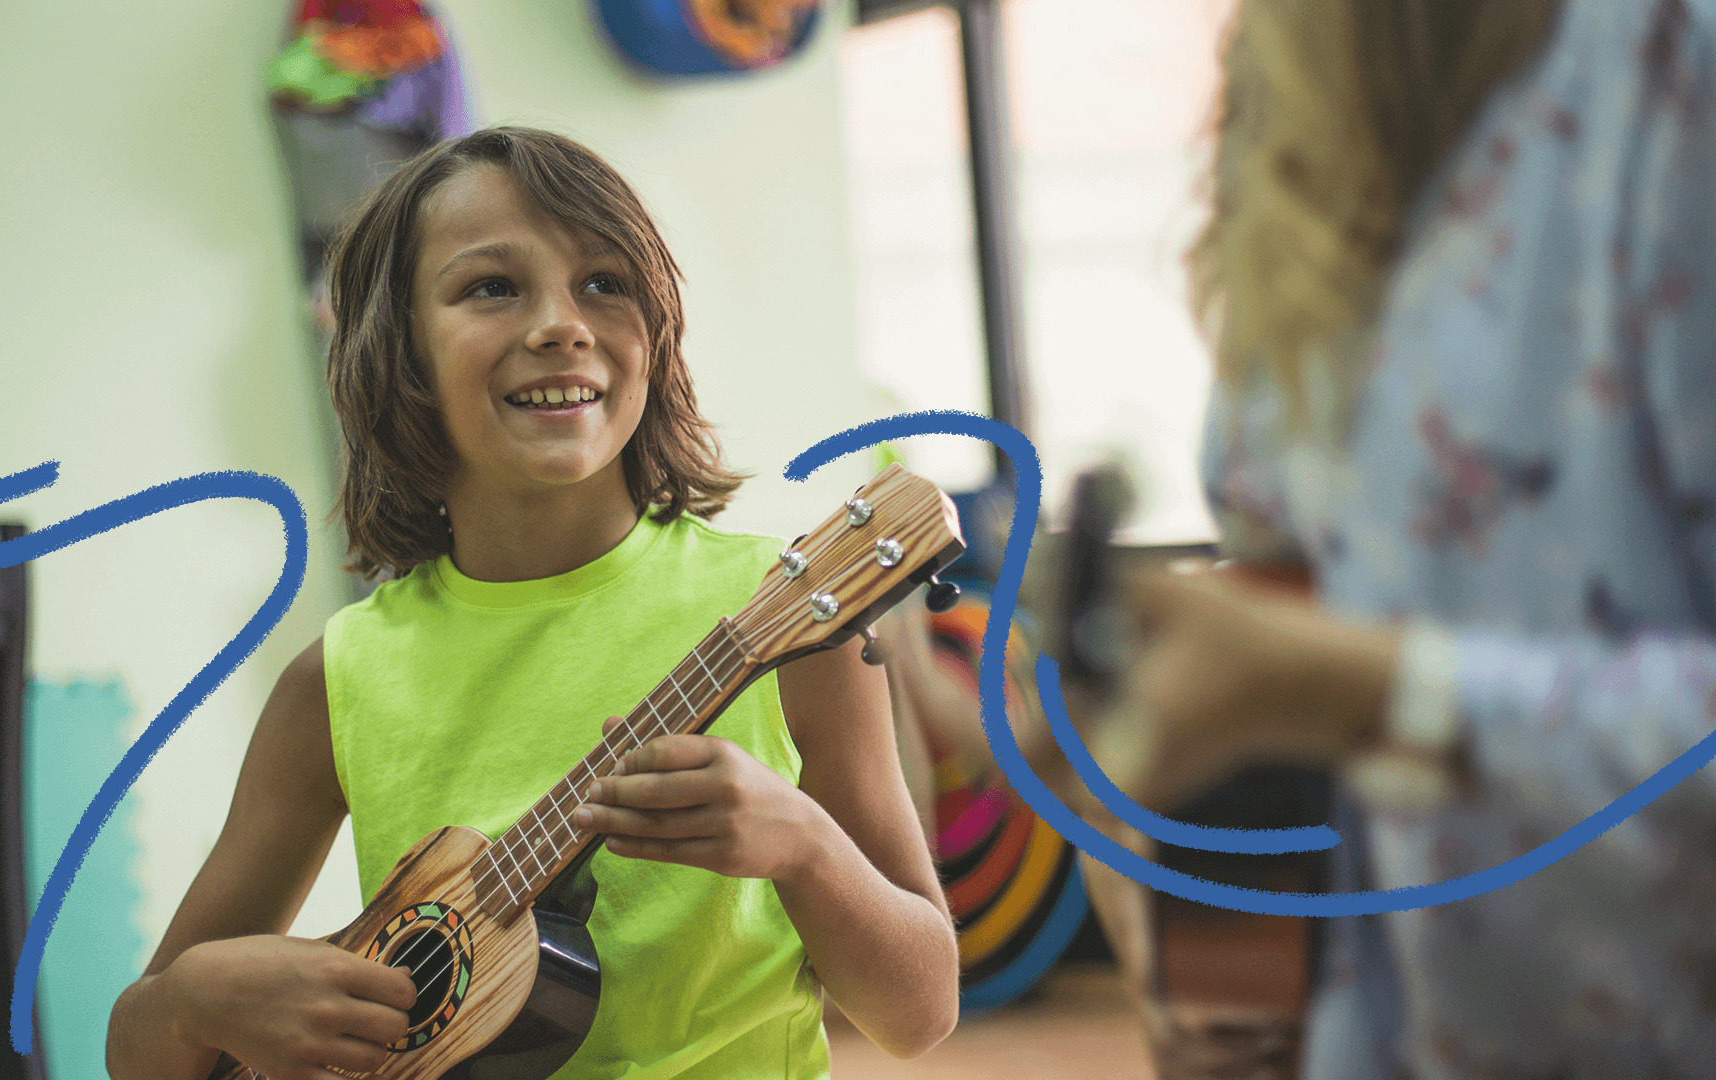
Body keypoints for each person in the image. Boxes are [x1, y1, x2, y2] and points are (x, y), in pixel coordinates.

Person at [105, 126, 958, 1080]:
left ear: (657, 336)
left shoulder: (785, 613)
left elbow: (920, 1013)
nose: (561, 323)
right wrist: (190, 1000)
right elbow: (140, 1048)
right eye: (491, 288)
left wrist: (806, 848)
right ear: (404, 353)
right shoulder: (337, 681)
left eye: (604, 283)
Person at [1030, 0, 1716, 1076]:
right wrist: (1202, 948)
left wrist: (1387, 693)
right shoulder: (1293, 118)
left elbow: (1341, 675)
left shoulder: (1675, 76)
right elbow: (1295, 679)